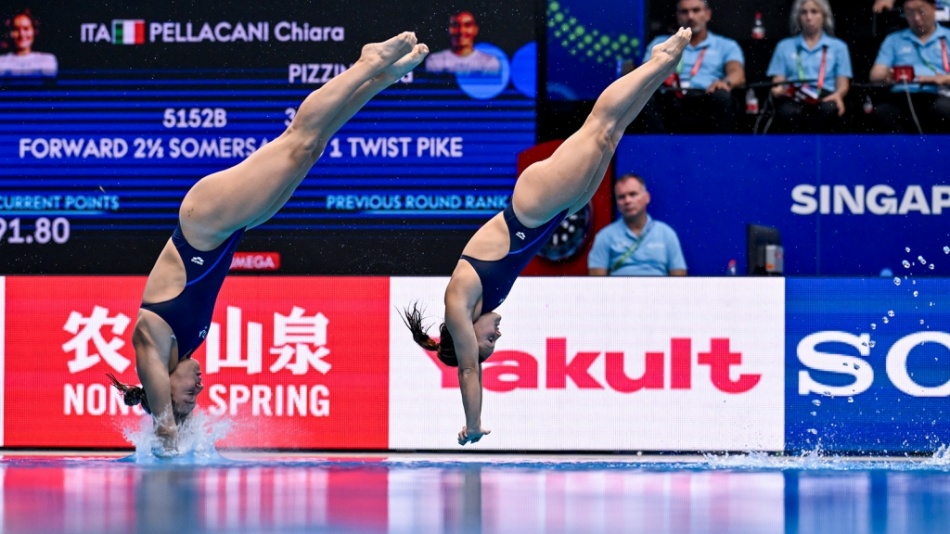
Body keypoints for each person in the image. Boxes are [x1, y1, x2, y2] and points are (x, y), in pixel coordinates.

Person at [108, 32, 429, 454]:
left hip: (204, 223)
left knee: (296, 140)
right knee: (311, 148)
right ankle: (380, 80)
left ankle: (368, 62)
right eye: (196, 396)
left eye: (188, 393)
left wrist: (168, 442)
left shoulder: (150, 342)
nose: (199, 388)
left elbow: (164, 429)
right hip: (230, 230)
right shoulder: (180, 348)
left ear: (161, 389)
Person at [403, 28, 692, 446]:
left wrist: (474, 422)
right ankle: (662, 67)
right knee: (614, 133)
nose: (495, 337)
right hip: (556, 212)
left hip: (533, 206)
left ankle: (659, 61)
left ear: (464, 336)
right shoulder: (477, 307)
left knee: (599, 124)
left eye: (487, 342)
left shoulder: (457, 307)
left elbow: (468, 370)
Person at [632, 0, 745, 134]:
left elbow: (737, 73)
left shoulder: (726, 45)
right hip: (669, 98)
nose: (690, 16)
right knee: (645, 98)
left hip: (705, 97)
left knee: (722, 97)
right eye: (684, 12)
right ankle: (656, 150)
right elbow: (645, 72)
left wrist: (724, 83)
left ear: (707, 14)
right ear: (677, 16)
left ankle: (719, 150)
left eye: (696, 10)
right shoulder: (660, 43)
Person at [766, 0, 853, 133]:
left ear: (824, 16)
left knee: (829, 110)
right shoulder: (784, 46)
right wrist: (777, 90)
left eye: (814, 12)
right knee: (787, 112)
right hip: (795, 96)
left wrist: (838, 95)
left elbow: (843, 84)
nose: (809, 17)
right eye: (803, 12)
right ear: (798, 17)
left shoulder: (838, 47)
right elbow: (778, 81)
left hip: (824, 95)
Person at [869, 0, 950, 133]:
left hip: (938, 93)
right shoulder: (894, 39)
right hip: (903, 95)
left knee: (943, 110)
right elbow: (875, 74)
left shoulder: (948, 37)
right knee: (882, 113)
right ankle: (903, 153)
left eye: (921, 11)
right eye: (910, 12)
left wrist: (942, 79)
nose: (916, 18)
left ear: (934, 8)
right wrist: (886, 73)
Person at [587, 173, 687, 276]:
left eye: (633, 194)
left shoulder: (666, 234)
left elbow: (679, 279)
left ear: (647, 197)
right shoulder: (605, 236)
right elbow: (597, 283)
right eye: (621, 197)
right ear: (616, 202)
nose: (627, 201)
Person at [425, 10, 501, 74]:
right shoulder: (434, 61)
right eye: (455, 25)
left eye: (467, 25)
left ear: (475, 29)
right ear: (448, 29)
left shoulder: (490, 62)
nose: (461, 31)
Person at [0, 8, 57, 77]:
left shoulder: (47, 60)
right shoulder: (2, 62)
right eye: (16, 29)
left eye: (26, 29)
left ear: (34, 31)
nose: (22, 34)